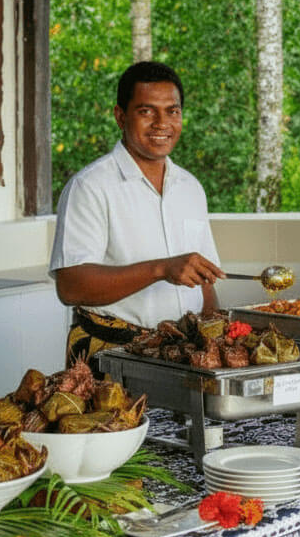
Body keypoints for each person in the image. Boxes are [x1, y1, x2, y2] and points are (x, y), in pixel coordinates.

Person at [50, 61, 225, 369]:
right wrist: (160, 269)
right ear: (121, 116)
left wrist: (219, 335)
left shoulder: (191, 187)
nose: (162, 123)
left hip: (183, 354)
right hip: (111, 355)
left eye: (172, 111)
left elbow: (204, 283)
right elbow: (71, 286)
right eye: (147, 111)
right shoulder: (90, 186)